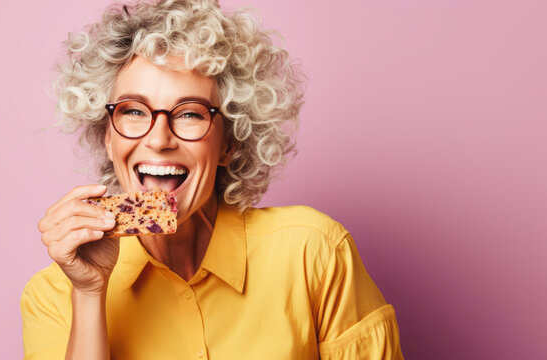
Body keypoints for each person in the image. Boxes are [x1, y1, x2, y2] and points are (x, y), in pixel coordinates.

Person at [21, 0, 404, 359]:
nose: (158, 139)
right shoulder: (54, 295)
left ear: (229, 143)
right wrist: (89, 294)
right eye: (133, 111)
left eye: (190, 114)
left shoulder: (314, 253)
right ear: (108, 136)